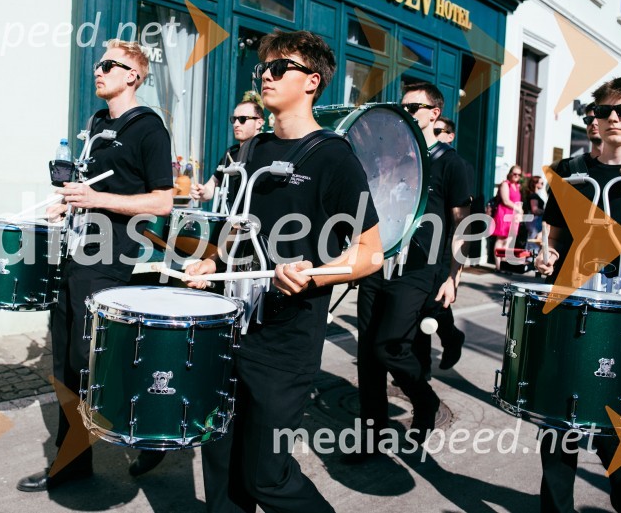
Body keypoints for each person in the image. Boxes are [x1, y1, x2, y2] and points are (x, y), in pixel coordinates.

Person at [185, 29, 383, 512]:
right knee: (221, 460)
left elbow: (370, 253)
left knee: (266, 476)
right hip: (229, 323)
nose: (265, 77)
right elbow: (237, 228)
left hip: (285, 337)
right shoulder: (253, 150)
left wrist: (313, 275)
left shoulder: (333, 157)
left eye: (278, 68)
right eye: (262, 69)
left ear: (312, 81)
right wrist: (208, 260)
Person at [16, 40, 174, 492]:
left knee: (98, 366)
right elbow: (90, 187)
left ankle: (153, 432)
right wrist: (68, 204)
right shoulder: (97, 123)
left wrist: (97, 199)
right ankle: (71, 466)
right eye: (98, 63)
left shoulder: (149, 129)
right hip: (77, 254)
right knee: (67, 366)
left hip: (110, 262)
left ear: (133, 76)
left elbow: (162, 201)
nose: (98, 70)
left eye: (109, 65)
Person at [536, 76, 621, 513]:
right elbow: (551, 235)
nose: (612, 118)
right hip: (569, 304)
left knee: (612, 421)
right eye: (604, 111)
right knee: (556, 418)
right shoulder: (572, 173)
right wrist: (547, 255)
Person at [352, 81, 473, 460]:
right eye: (401, 106)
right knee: (368, 358)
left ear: (434, 114)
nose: (405, 112)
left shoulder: (451, 163)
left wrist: (454, 277)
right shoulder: (393, 156)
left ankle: (425, 401)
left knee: (389, 347)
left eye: (413, 107)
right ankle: (370, 440)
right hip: (378, 263)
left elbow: (462, 224)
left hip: (420, 268)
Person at [414, 114, 469, 375]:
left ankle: (451, 338)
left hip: (446, 243)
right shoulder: (420, 159)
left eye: (441, 131)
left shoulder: (456, 164)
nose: (436, 135)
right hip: (421, 246)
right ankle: (421, 366)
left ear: (450, 135)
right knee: (419, 307)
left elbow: (464, 219)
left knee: (433, 304)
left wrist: (454, 274)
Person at [190, 98, 265, 208]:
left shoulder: (265, 152)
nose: (236, 124)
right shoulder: (230, 153)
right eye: (234, 119)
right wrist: (202, 191)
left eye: (242, 119)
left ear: (259, 123)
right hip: (228, 220)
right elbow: (211, 187)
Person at [492, 165, 524, 271]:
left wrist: (520, 211)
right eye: (514, 173)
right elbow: (505, 201)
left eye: (519, 174)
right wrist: (518, 209)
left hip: (513, 216)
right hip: (504, 214)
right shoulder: (505, 184)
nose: (516, 176)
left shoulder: (517, 186)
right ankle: (498, 265)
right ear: (510, 173)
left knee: (509, 241)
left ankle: (504, 264)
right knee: (501, 239)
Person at [525, 175, 545, 254]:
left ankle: (530, 261)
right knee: (534, 242)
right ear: (535, 184)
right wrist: (546, 212)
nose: (543, 185)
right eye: (542, 183)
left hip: (534, 220)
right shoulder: (533, 195)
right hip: (535, 221)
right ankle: (530, 262)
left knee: (533, 241)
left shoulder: (533, 194)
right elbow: (535, 210)